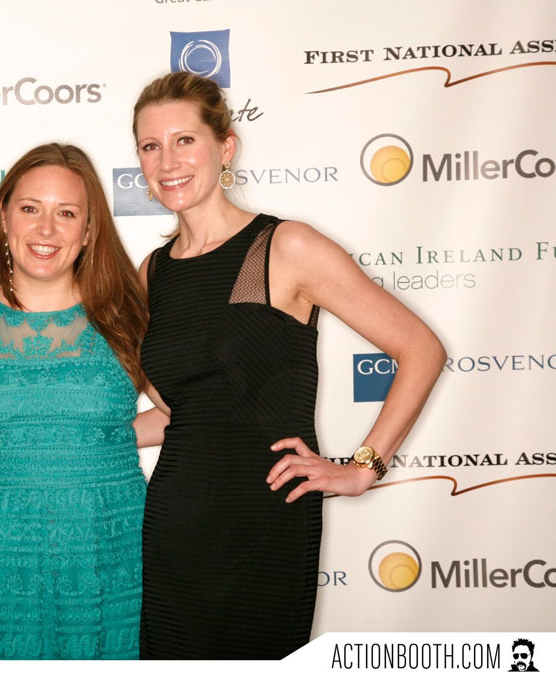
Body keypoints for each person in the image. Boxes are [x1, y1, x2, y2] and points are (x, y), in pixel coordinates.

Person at [130, 71, 446, 659]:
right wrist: (88, 440)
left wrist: (362, 468)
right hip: (175, 517)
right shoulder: (154, 272)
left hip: (266, 517)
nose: (167, 161)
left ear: (225, 147)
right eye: (151, 145)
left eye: (185, 140)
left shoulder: (284, 246)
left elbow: (421, 349)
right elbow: (189, 413)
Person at [0, 143, 149, 659]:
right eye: (30, 208)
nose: (46, 229)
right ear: (3, 217)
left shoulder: (128, 317)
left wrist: (98, 441)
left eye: (67, 213)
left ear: (89, 230)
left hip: (108, 550)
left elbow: (190, 413)